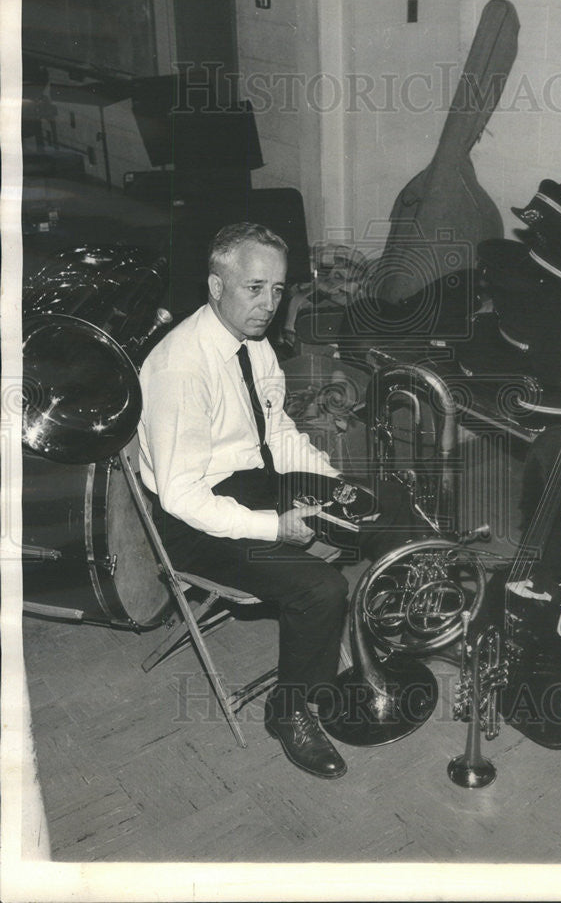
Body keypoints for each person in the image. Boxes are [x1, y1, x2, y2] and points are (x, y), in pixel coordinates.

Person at [138, 222, 350, 780]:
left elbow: (277, 434)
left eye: (277, 290)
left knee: (381, 510)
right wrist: (272, 527)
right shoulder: (182, 367)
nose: (269, 304)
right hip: (193, 521)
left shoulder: (253, 346)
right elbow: (183, 496)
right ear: (215, 286)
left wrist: (335, 485)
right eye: (254, 288)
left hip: (248, 480)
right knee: (322, 588)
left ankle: (365, 665)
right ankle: (290, 711)